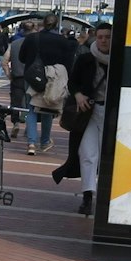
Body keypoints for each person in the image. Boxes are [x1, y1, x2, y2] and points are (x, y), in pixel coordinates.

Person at [51, 22, 112, 215]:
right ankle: (87, 196)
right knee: (87, 153)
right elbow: (73, 81)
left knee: (107, 156)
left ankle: (106, 196)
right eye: (100, 36)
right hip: (89, 113)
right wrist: (78, 95)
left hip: (112, 114)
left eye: (108, 37)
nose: (103, 40)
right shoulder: (86, 58)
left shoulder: (122, 60)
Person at [21, 13, 78, 155]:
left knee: (32, 109)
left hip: (34, 77)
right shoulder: (63, 41)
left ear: (42, 24)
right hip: (54, 79)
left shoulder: (32, 38)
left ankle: (31, 143)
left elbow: (21, 57)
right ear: (57, 25)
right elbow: (69, 62)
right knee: (48, 109)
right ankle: (45, 141)